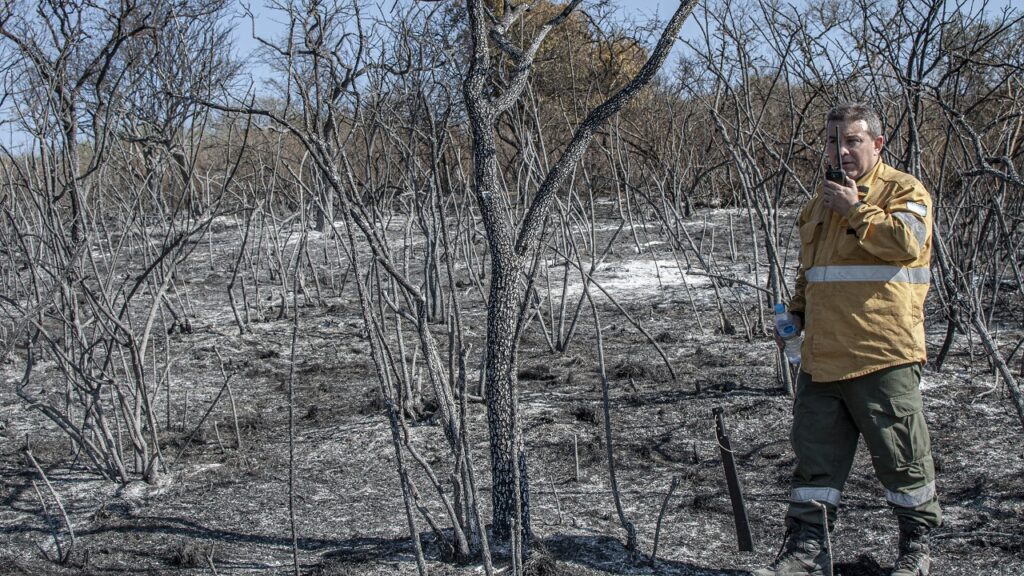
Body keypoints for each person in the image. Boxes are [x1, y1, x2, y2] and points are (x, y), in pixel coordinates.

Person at [755, 103, 940, 576]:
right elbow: (811, 275)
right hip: (822, 358)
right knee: (814, 464)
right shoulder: (817, 204)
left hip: (882, 354)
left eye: (852, 141)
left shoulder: (904, 190)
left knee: (904, 462)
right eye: (832, 141)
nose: (840, 151)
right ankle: (805, 554)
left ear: (877, 144)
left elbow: (906, 243)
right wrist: (795, 315)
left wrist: (857, 209)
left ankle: (915, 553)